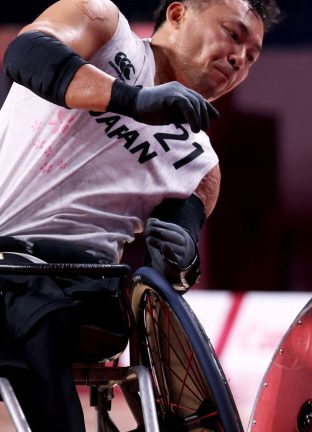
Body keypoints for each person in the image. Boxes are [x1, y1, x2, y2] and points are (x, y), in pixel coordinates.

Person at [0, 0, 280, 430]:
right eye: (233, 34)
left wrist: (183, 259)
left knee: (42, 312)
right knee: (28, 306)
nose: (239, 58)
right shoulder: (105, 28)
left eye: (252, 56)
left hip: (84, 288)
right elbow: (25, 55)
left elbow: (173, 269)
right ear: (178, 13)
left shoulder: (200, 166)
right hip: (8, 262)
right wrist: (133, 100)